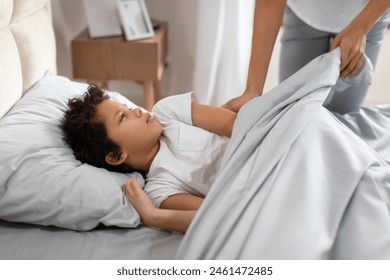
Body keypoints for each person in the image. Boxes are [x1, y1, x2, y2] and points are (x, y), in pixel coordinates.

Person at [62, 84, 238, 233]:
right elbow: (217, 214)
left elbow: (240, 124)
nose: (137, 110)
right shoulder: (159, 190)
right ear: (115, 156)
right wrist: (153, 217)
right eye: (123, 117)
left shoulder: (167, 112)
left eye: (128, 108)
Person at [223, 0, 390, 114]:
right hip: (304, 15)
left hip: (367, 17)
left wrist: (361, 27)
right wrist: (253, 90)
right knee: (293, 113)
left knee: (345, 118)